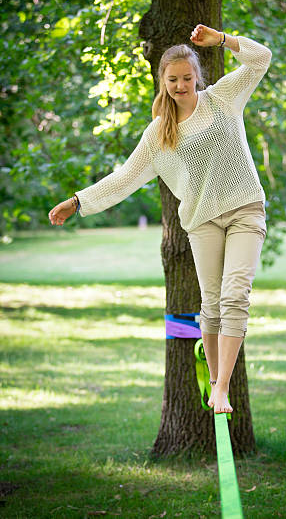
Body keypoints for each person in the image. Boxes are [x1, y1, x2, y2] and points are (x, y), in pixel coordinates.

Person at [48, 24, 272, 414]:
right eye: (173, 79)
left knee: (237, 295)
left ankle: (221, 388)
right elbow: (124, 178)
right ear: (162, 81)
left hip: (245, 209)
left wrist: (222, 39)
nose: (181, 85)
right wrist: (77, 201)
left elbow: (261, 59)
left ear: (198, 77)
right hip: (202, 222)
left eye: (187, 77)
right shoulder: (159, 134)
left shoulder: (222, 99)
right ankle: (217, 384)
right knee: (213, 303)